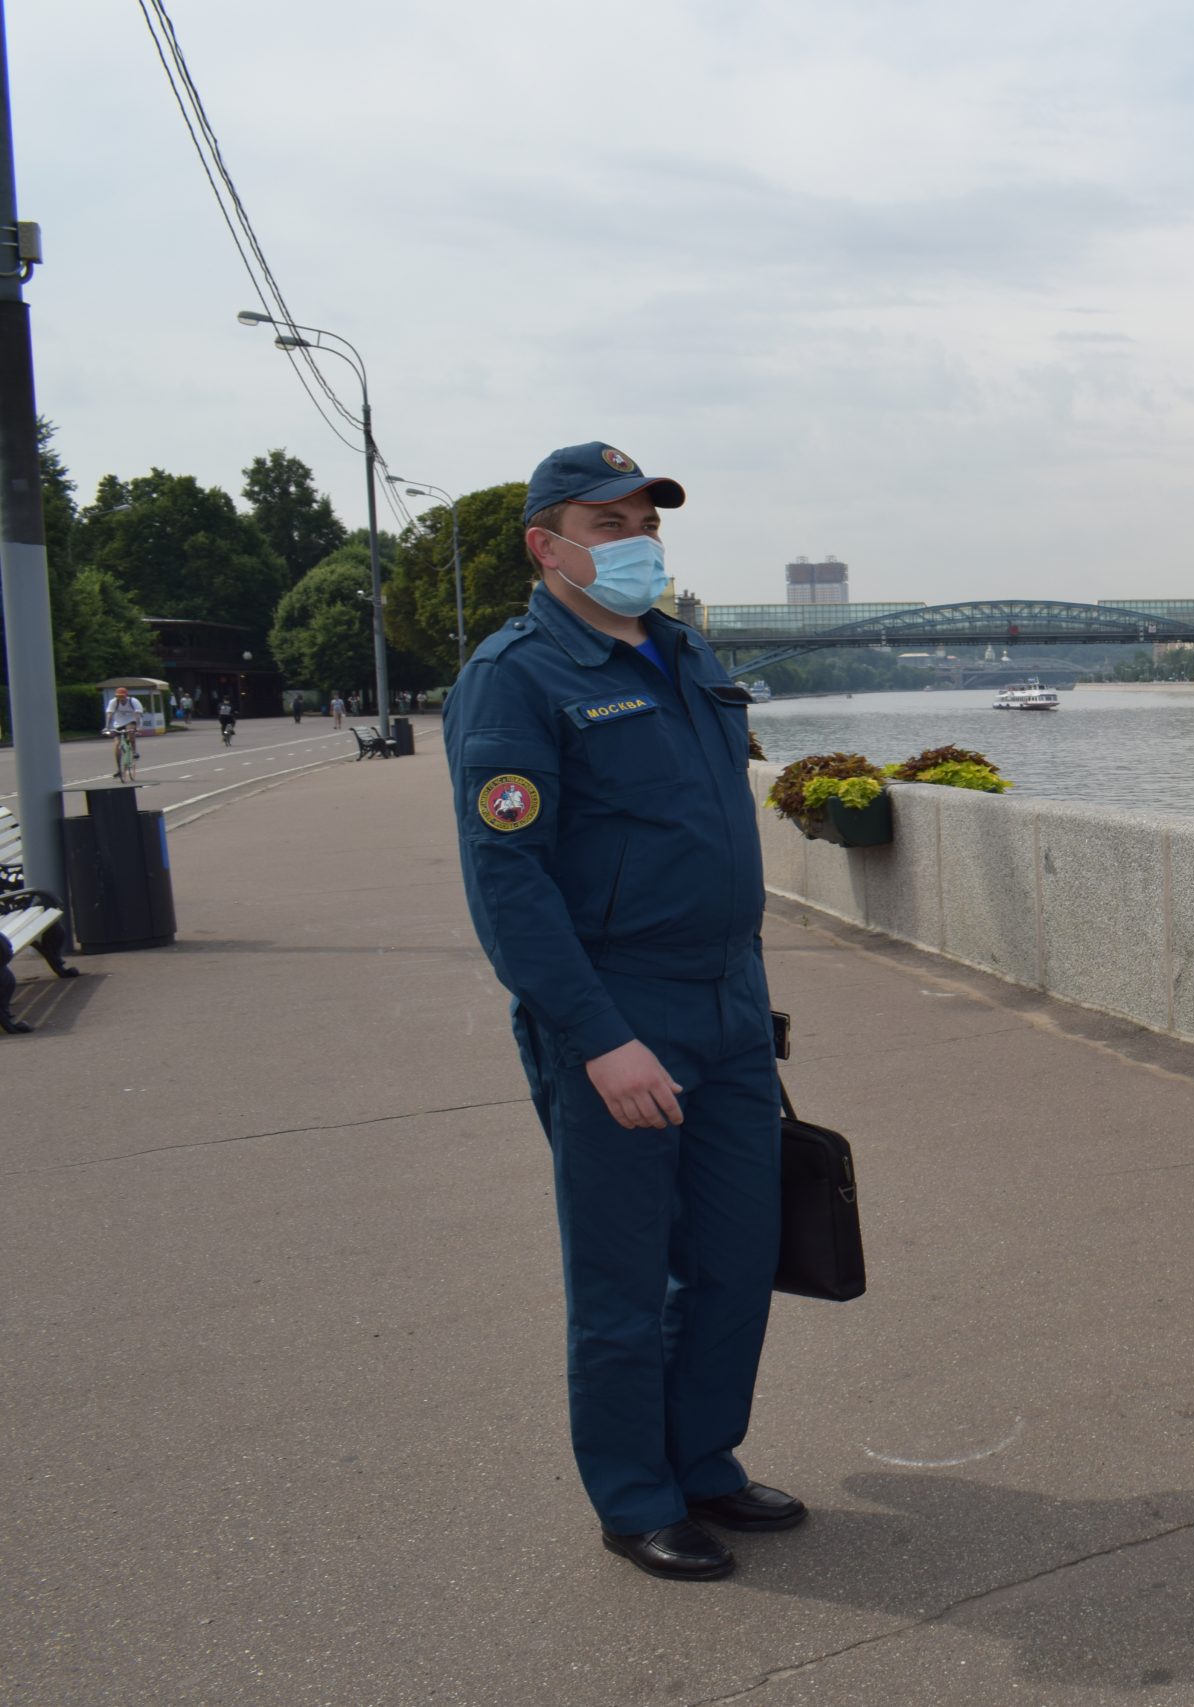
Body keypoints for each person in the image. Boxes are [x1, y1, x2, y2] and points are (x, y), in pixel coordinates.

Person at [443, 441, 790, 1583]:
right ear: (547, 547)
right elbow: (509, 881)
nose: (636, 543)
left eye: (645, 522)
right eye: (608, 525)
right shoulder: (517, 676)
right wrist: (598, 1039)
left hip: (729, 1004)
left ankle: (703, 1464)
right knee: (625, 1280)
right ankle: (635, 1497)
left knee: (739, 1261)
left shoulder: (682, 651)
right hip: (618, 1011)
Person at [103, 686, 145, 782]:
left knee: (130, 731)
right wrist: (106, 726)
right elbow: (109, 714)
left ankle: (134, 752)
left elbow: (138, 714)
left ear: (126, 696)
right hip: (118, 723)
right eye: (118, 697)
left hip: (132, 721)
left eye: (122, 697)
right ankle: (119, 769)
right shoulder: (113, 702)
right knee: (117, 745)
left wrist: (138, 727)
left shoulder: (133, 701)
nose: (120, 699)